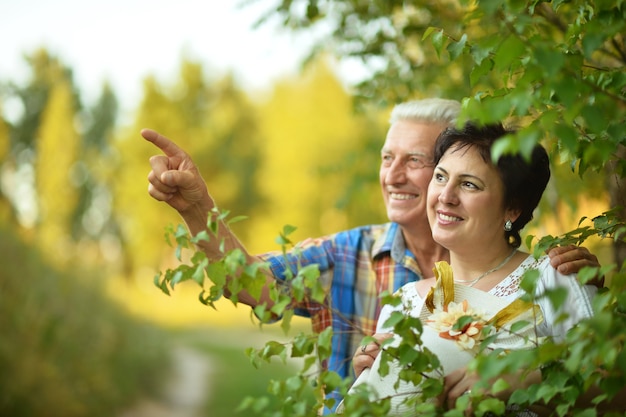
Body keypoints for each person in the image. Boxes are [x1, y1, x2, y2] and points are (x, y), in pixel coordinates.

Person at [142, 98, 599, 412]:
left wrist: (529, 381)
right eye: (386, 158)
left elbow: (608, 388)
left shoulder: (554, 278)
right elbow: (249, 283)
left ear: (509, 205)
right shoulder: (377, 280)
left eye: (415, 161)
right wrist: (197, 207)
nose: (395, 176)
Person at [346, 122, 600, 415]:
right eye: (440, 177)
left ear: (513, 209)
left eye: (469, 184)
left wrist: (520, 382)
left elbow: (614, 387)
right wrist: (370, 373)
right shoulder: (403, 304)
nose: (446, 196)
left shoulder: (553, 279)